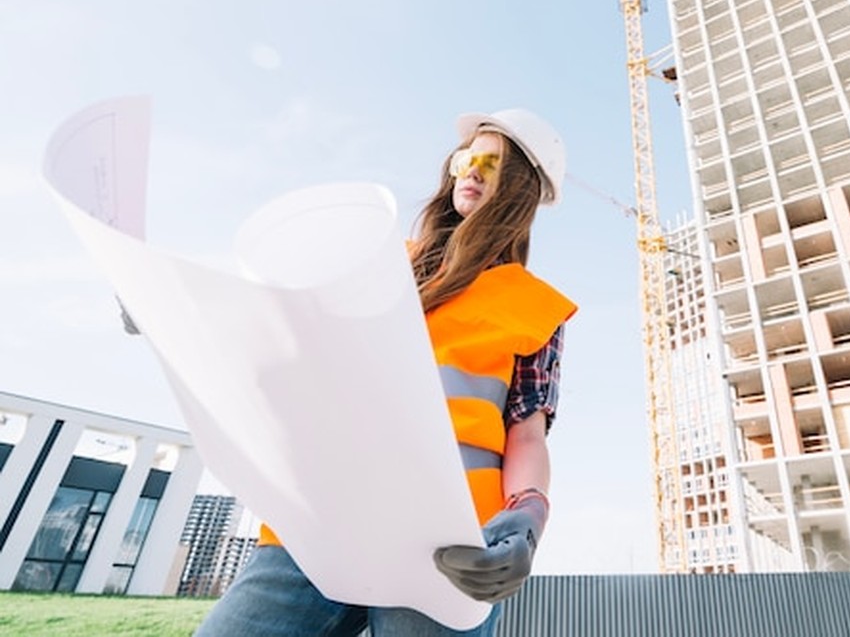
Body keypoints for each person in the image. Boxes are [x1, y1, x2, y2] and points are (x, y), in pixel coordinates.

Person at [191, 108, 577, 636]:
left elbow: (526, 433)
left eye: (492, 161)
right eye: (467, 157)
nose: (472, 170)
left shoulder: (534, 307)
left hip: (446, 548)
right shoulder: (384, 264)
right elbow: (286, 329)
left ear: (520, 188)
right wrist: (184, 303)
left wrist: (529, 515)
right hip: (319, 523)